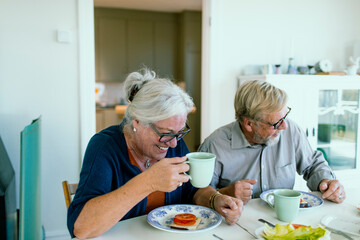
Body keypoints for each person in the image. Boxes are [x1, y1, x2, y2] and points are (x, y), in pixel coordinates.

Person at [67, 68, 243, 239]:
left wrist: (215, 199)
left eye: (179, 132)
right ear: (137, 121)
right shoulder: (104, 147)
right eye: (165, 133)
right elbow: (82, 228)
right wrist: (148, 182)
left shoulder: (173, 142)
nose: (174, 143)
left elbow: (192, 190)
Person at [198, 79, 346, 205]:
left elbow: (312, 165)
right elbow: (196, 193)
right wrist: (223, 193)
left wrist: (326, 182)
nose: (284, 126)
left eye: (285, 116)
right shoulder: (215, 145)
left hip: (284, 224)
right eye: (276, 123)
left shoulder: (290, 130)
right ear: (249, 124)